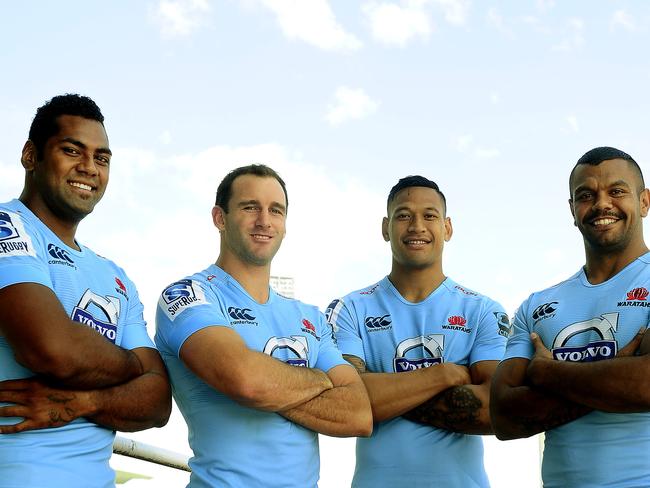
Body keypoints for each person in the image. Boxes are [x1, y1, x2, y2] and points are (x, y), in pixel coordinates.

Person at [155, 164, 372, 488]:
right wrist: (320, 378)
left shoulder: (309, 316)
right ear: (220, 218)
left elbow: (359, 414)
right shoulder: (190, 295)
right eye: (250, 207)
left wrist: (272, 386)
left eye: (276, 210)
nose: (264, 220)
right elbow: (246, 380)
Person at [0, 94, 171, 488]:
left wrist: (83, 402)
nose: (89, 168)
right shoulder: (9, 226)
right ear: (30, 155)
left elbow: (158, 402)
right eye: (71, 150)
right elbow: (52, 349)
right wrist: (134, 366)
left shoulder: (115, 277)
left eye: (102, 158)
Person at [325, 175, 509, 487]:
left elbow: (496, 409)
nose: (416, 226)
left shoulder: (482, 311)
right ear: (386, 227)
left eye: (429, 215)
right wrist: (446, 375)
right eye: (404, 215)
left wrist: (383, 393)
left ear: (447, 228)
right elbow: (343, 401)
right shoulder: (350, 309)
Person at [490, 146, 650, 487]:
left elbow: (647, 383)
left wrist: (548, 372)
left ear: (645, 202)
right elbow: (503, 416)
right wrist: (614, 374)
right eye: (586, 195)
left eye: (617, 191)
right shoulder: (537, 304)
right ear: (573, 210)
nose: (602, 204)